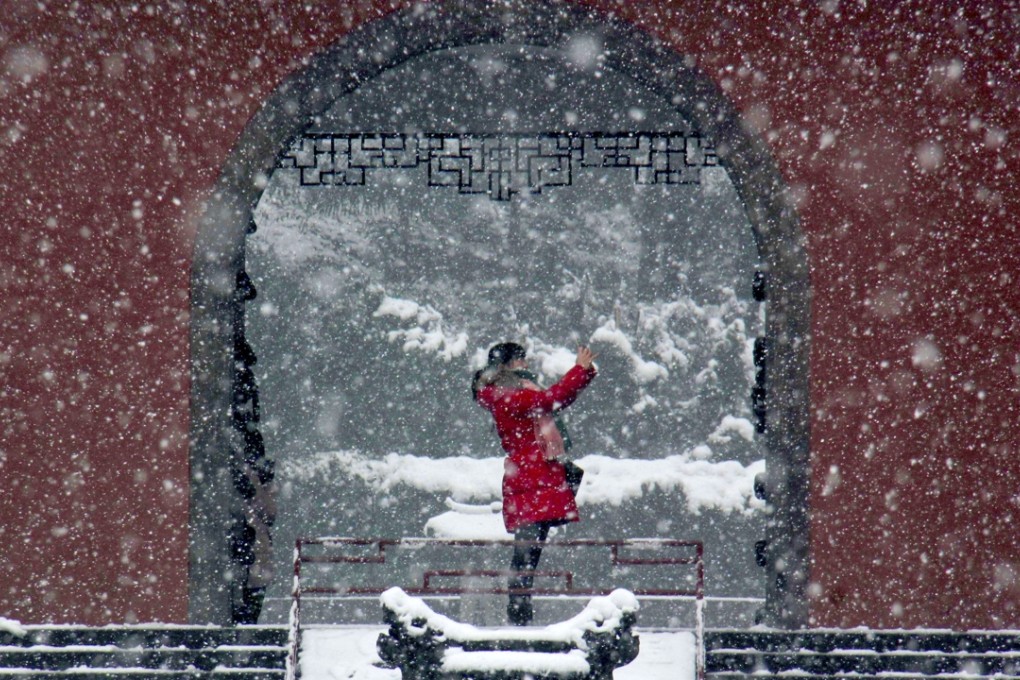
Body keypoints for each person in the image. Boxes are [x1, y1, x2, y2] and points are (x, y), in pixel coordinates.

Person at [473, 341, 598, 625]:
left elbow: (552, 399)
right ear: (504, 366)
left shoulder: (511, 392)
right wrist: (580, 370)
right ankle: (518, 612)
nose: (525, 366)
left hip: (535, 475)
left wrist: (582, 372)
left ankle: (519, 611)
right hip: (531, 478)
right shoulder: (506, 395)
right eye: (519, 361)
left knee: (530, 550)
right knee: (527, 550)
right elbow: (552, 399)